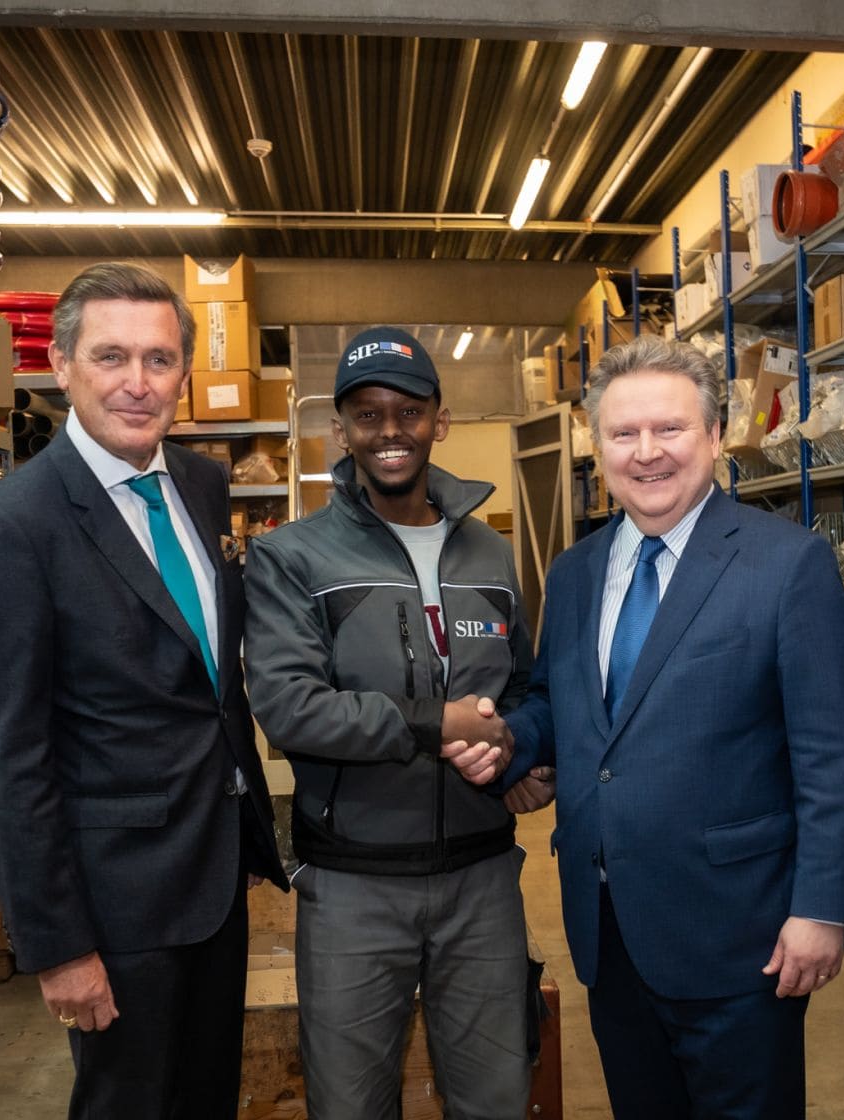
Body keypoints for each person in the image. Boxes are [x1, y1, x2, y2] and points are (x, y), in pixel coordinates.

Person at [498, 335, 844, 1119]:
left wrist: (823, 908)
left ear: (713, 434)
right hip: (608, 924)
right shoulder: (573, 573)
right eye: (622, 434)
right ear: (598, 447)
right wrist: (510, 743)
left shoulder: (786, 564)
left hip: (741, 933)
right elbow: (559, 706)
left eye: (668, 429)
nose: (646, 454)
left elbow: (832, 754)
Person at [0, 261, 288, 1117]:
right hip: (115, 901)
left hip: (212, 876)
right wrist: (59, 945)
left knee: (206, 1096)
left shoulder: (202, 486)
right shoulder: (14, 526)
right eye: (111, 357)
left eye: (160, 359)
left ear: (183, 371)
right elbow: (7, 755)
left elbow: (206, 685)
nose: (138, 384)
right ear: (62, 366)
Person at [243, 326, 534, 1119]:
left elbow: (528, 688)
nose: (390, 432)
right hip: (353, 887)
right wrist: (429, 724)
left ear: (440, 419)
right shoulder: (293, 559)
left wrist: (525, 756)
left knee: (497, 1100)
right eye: (367, 415)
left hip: (482, 881)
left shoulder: (489, 553)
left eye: (409, 412)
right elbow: (290, 708)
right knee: (352, 1106)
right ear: (341, 431)